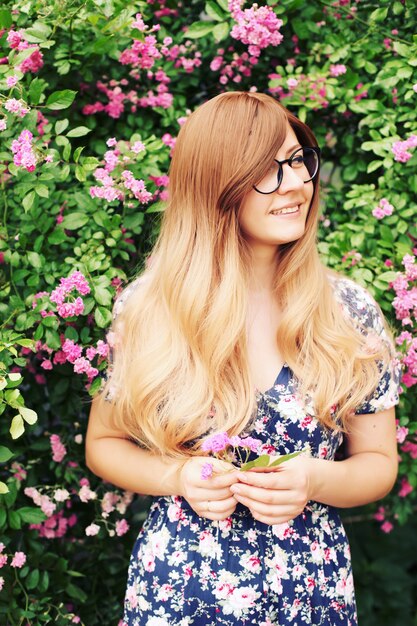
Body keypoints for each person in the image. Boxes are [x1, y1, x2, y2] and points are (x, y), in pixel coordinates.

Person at [85, 91, 401, 626]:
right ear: (218, 185)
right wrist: (179, 478)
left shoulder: (345, 309)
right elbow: (104, 445)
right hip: (179, 592)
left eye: (299, 159)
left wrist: (313, 480)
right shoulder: (149, 310)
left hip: (311, 593)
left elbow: (378, 464)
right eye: (270, 169)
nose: (298, 182)